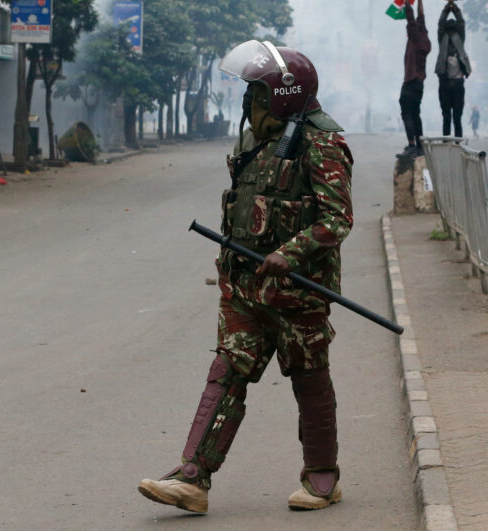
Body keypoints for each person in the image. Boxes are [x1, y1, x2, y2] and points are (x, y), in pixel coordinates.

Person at [139, 40, 353, 515]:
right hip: (244, 287)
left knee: (309, 379)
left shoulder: (322, 144)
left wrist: (289, 254)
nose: (246, 103)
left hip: (298, 293)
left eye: (255, 94)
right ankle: (193, 477)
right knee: (227, 373)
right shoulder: (256, 140)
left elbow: (336, 219)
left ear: (280, 96)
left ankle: (322, 478)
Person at [397, 0, 430, 158]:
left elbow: (410, 17)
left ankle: (411, 145)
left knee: (406, 111)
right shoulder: (424, 38)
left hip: (410, 81)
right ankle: (419, 145)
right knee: (416, 114)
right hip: (419, 84)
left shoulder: (415, 38)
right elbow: (420, 16)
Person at [434, 0, 471, 137]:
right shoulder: (458, 39)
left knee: (449, 117)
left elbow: (442, 24)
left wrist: (450, 7)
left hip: (448, 83)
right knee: (454, 117)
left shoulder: (448, 40)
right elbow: (460, 23)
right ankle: (455, 141)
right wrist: (452, 7)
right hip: (453, 83)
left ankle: (450, 141)